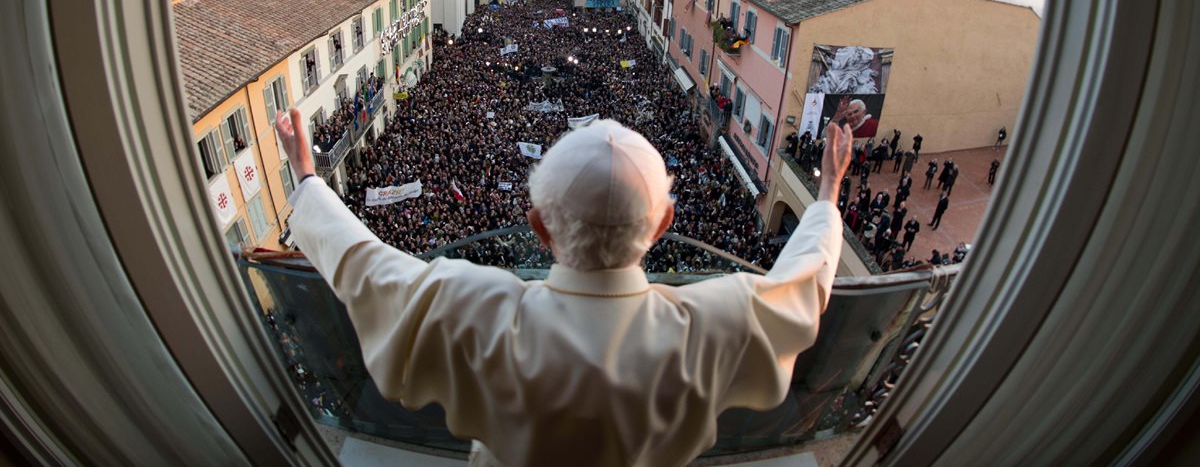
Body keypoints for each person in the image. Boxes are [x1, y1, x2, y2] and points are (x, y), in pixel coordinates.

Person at [276, 109, 854, 467]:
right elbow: (802, 285)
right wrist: (825, 197)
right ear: (663, 225)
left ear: (538, 226)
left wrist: (308, 180)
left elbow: (364, 264)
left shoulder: (469, 309)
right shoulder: (718, 322)